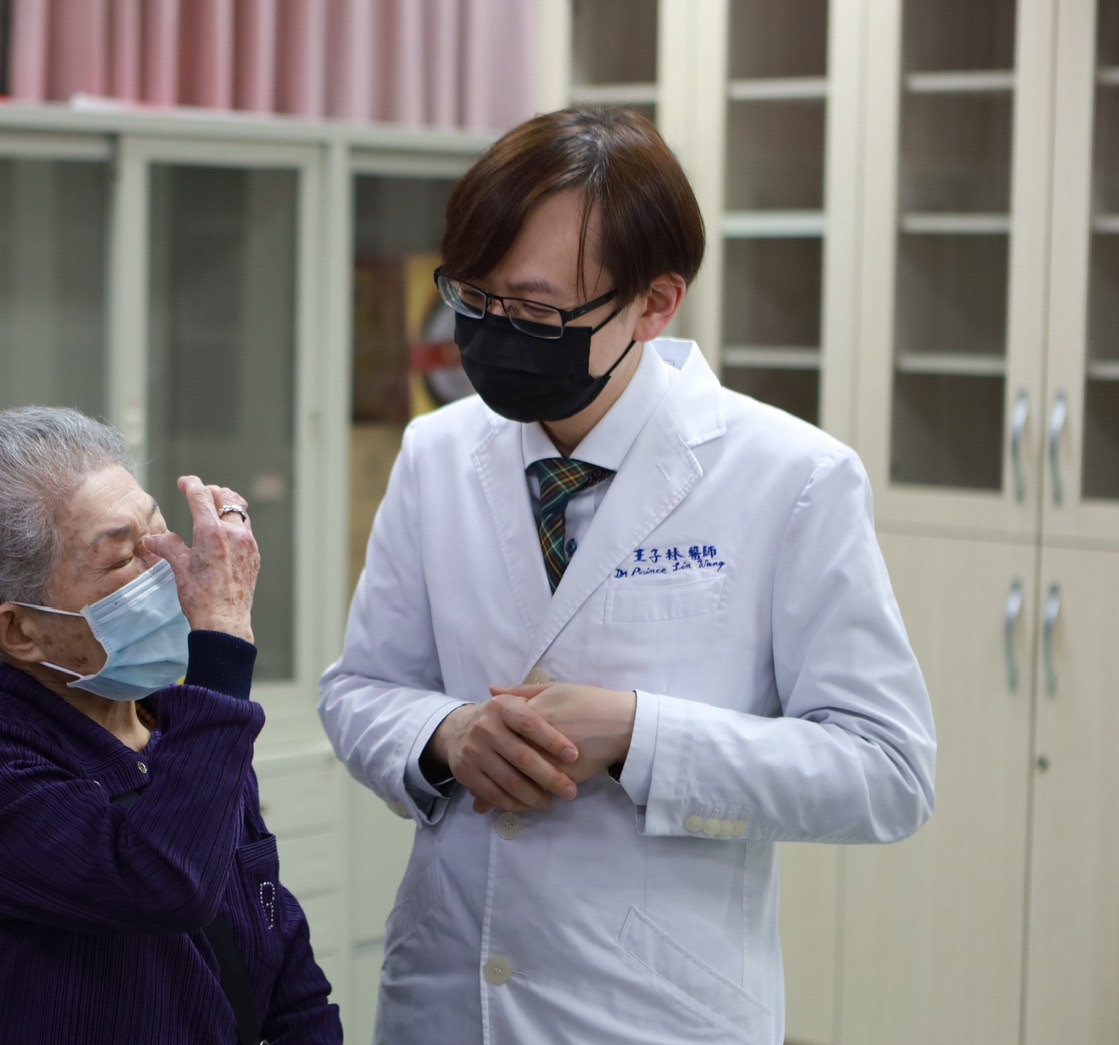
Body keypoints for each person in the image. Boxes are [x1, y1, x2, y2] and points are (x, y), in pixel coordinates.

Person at [318, 106, 936, 1044]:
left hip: (655, 1009)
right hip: (450, 998)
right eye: (473, 298)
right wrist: (446, 735)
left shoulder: (791, 477)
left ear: (654, 304)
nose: (495, 330)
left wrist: (641, 734)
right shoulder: (435, 451)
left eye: (535, 310)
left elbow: (885, 771)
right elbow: (361, 689)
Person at [0, 406, 341, 1045]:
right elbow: (165, 882)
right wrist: (221, 640)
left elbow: (283, 966)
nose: (166, 564)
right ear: (20, 629)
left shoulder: (177, 727)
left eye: (158, 533)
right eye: (120, 557)